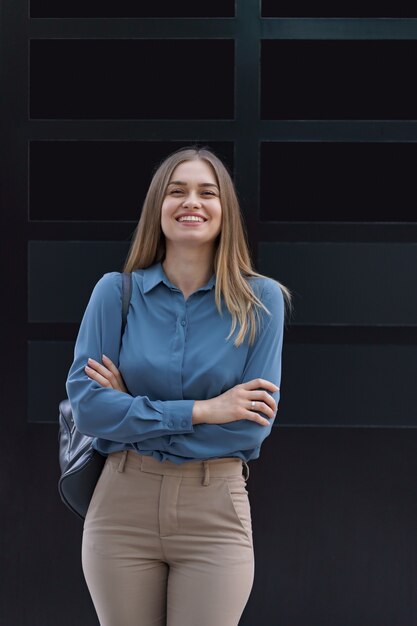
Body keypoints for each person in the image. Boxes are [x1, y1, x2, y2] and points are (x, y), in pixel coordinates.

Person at [66, 145, 292, 626]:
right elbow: (87, 408)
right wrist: (205, 410)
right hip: (121, 507)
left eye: (207, 192)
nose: (192, 201)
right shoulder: (115, 292)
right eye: (177, 191)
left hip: (215, 511)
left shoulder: (261, 301)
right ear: (158, 208)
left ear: (224, 210)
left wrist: (129, 409)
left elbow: (249, 430)